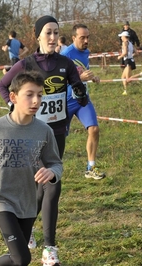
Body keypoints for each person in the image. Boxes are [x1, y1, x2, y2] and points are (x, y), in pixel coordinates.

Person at [0, 15, 88, 266]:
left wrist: (80, 93)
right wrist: (15, 107)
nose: (52, 37)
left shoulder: (66, 63)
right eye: (47, 32)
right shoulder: (26, 64)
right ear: (37, 36)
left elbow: (79, 93)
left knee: (40, 189)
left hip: (57, 134)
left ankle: (25, 228)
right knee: (52, 185)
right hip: (32, 134)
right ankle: (50, 249)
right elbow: (3, 86)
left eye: (56, 33)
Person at [0, 71, 63, 266]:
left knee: (18, 260)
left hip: (28, 202)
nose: (36, 100)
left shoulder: (44, 131)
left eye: (40, 95)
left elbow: (56, 163)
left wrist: (52, 173)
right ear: (13, 97)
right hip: (0, 198)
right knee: (22, 258)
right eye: (29, 94)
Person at [61, 23, 105, 180]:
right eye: (82, 38)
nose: (86, 40)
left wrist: (92, 77)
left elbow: (82, 70)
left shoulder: (86, 52)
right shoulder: (66, 54)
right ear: (73, 38)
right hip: (65, 101)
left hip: (82, 99)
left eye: (88, 37)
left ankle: (91, 167)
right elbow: (58, 80)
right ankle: (48, 168)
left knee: (94, 129)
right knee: (58, 137)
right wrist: (80, 78)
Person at [117, 31, 142, 96]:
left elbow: (125, 52)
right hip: (130, 60)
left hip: (128, 61)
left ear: (124, 37)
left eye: (121, 36)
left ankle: (141, 74)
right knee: (123, 77)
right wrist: (131, 56)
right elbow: (136, 52)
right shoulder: (130, 43)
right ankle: (125, 91)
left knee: (128, 79)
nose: (121, 38)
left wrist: (120, 56)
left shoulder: (124, 43)